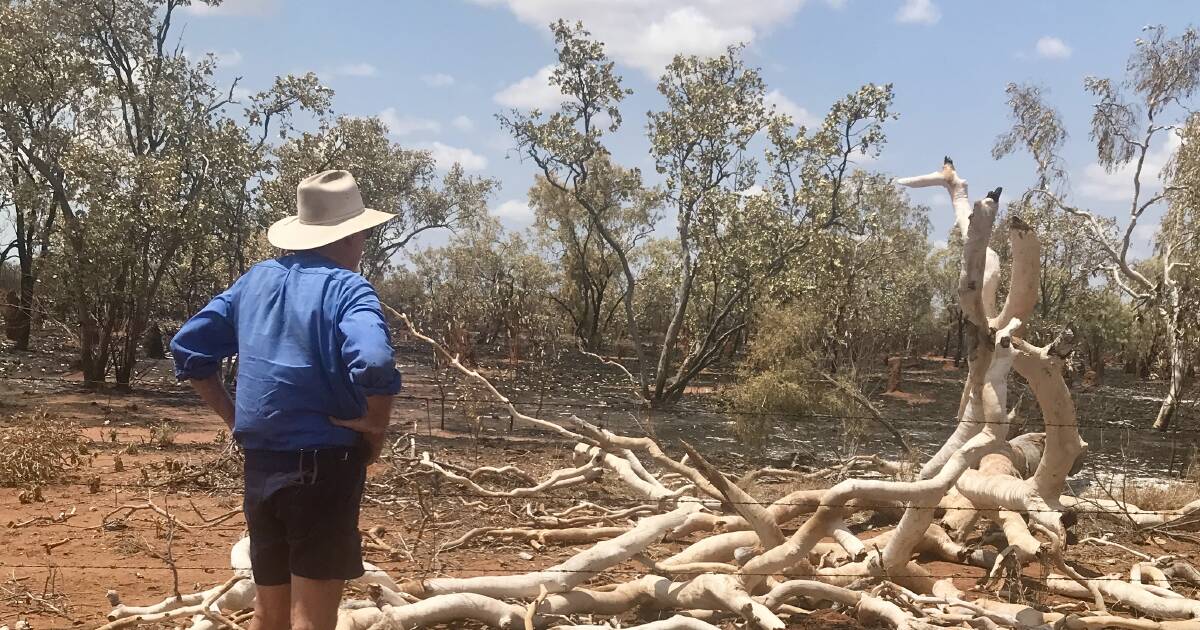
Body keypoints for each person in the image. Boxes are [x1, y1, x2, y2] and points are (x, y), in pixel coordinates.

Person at [171, 170, 401, 630]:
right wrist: (375, 424)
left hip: (261, 467)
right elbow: (373, 359)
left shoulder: (254, 282)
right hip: (325, 468)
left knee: (268, 612)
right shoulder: (348, 288)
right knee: (311, 617)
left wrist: (235, 417)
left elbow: (188, 348)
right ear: (351, 235)